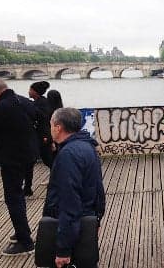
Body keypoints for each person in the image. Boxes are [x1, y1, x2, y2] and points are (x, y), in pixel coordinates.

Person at [0, 78, 37, 256]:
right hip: (29, 154)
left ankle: (25, 242)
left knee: (13, 198)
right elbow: (39, 119)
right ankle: (22, 231)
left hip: (11, 158)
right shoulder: (25, 102)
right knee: (18, 196)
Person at [42, 108, 105, 268]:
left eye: (51, 125)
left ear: (58, 127)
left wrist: (63, 249)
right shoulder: (87, 147)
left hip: (72, 230)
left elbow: (69, 204)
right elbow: (98, 189)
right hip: (85, 221)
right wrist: (97, 218)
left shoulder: (68, 155)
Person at [24, 81, 52, 196]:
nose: (28, 92)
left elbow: (44, 120)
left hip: (42, 137)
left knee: (47, 160)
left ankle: (27, 188)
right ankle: (27, 188)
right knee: (32, 162)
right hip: (37, 137)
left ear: (35, 92)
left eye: (30, 89)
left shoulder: (42, 104)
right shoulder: (38, 102)